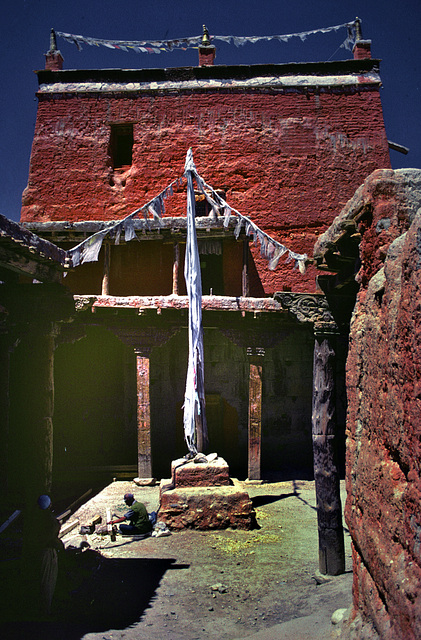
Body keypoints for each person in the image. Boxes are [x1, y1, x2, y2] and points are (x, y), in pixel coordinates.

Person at [31, 494, 64, 615]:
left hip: (38, 551)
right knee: (47, 581)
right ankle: (45, 611)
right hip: (47, 552)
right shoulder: (50, 521)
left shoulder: (34, 518)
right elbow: (51, 536)